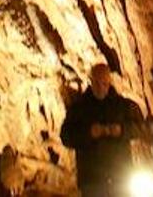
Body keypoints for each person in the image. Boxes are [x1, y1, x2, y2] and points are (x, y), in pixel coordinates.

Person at [60, 63, 147, 196]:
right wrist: (88, 133)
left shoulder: (122, 105)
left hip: (119, 179)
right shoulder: (79, 109)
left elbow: (141, 128)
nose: (100, 88)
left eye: (104, 84)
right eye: (97, 83)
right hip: (93, 181)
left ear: (109, 82)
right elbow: (66, 136)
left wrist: (122, 130)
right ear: (90, 81)